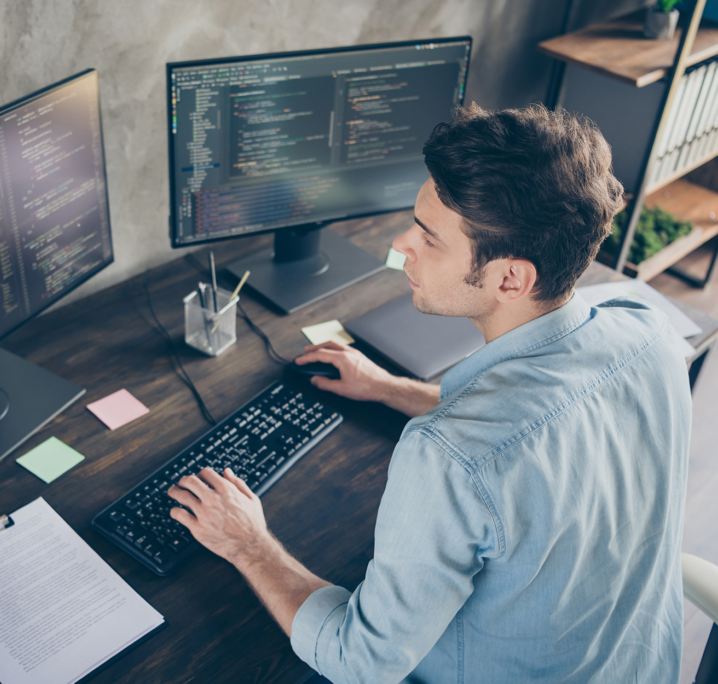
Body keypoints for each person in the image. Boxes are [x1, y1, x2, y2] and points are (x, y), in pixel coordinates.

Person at [166, 104, 691, 683]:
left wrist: (248, 543)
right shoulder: (650, 332)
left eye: (429, 237)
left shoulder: (446, 457)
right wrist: (391, 389)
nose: (401, 245)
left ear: (510, 279)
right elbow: (540, 433)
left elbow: (358, 660)